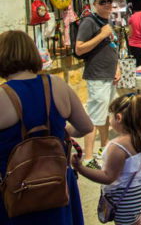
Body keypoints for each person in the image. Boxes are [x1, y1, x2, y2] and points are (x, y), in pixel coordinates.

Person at [0, 30, 93, 224]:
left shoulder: (2, 96)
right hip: (56, 184)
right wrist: (62, 133)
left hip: (17, 191)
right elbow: (85, 126)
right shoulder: (57, 85)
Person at [71, 95, 141, 225]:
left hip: (127, 198)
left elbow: (108, 177)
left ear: (119, 117)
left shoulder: (118, 147)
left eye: (111, 115)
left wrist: (80, 168)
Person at [76, 0, 121, 168]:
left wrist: (117, 68)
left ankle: (104, 147)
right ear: (95, 4)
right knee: (95, 117)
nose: (108, 4)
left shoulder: (106, 20)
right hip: (97, 76)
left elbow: (113, 47)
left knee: (106, 114)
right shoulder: (89, 22)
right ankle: (87, 157)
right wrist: (102, 34)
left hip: (109, 75)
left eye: (109, 0)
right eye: (102, 2)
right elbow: (79, 49)